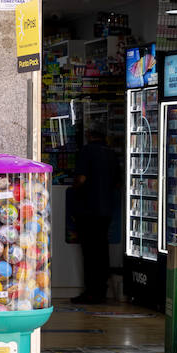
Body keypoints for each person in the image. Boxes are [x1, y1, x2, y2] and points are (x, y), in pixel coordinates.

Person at [71, 126, 118, 305]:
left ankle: (91, 291)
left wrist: (74, 190)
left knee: (89, 253)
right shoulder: (111, 154)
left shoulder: (86, 151)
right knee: (102, 251)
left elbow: (81, 178)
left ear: (89, 136)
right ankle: (101, 290)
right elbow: (118, 183)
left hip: (88, 210)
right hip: (106, 211)